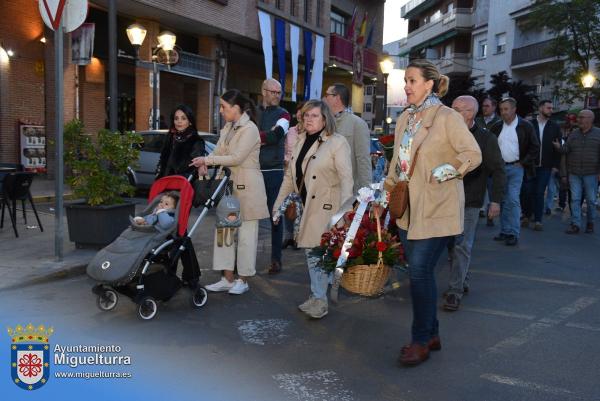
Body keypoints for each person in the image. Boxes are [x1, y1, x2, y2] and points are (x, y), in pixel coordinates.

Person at [384, 60, 481, 366]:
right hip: (407, 210)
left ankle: (421, 339)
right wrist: (383, 194)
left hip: (438, 209)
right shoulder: (404, 120)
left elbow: (472, 154)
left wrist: (446, 171)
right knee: (419, 272)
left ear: (429, 84)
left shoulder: (448, 117)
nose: (406, 86)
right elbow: (397, 164)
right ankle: (433, 333)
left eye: (412, 80)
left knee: (420, 272)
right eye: (406, 81)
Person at [272, 100, 353, 319]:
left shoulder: (337, 142)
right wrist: (278, 206)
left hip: (327, 207)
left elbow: (347, 180)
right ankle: (317, 295)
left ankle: (320, 299)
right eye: (306, 115)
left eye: (314, 116)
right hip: (306, 206)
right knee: (312, 252)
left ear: (325, 119)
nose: (308, 119)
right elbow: (290, 178)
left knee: (315, 252)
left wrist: (345, 213)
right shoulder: (300, 141)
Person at [189, 89, 269, 295]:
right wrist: (205, 162)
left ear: (236, 108)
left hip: (249, 189)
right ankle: (227, 278)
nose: (221, 111)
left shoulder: (249, 129)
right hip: (227, 187)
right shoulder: (228, 127)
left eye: (224, 107)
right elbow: (218, 151)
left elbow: (236, 158)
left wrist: (208, 160)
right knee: (224, 234)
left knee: (246, 237)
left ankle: (243, 280)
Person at [443, 96, 505, 312]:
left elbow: (498, 170)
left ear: (470, 113)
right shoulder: (444, 134)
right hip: (444, 199)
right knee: (451, 245)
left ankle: (455, 291)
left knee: (462, 244)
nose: (451, 113)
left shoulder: (486, 139)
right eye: (451, 108)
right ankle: (462, 278)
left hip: (470, 199)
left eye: (457, 110)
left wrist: (495, 201)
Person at [490, 97, 539, 246]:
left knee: (512, 199)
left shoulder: (526, 126)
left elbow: (535, 147)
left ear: (514, 109)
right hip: (499, 169)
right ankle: (504, 231)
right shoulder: (497, 126)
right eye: (501, 110)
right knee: (502, 201)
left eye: (506, 109)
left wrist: (523, 163)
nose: (503, 113)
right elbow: (490, 147)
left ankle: (513, 233)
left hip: (516, 168)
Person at [258, 79, 291, 274]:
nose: (277, 96)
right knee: (248, 216)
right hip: (254, 170)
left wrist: (255, 137)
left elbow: (276, 136)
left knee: (275, 216)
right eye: (273, 92)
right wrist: (262, 136)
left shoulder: (284, 115)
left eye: (279, 92)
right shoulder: (254, 113)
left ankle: (276, 259)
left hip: (274, 172)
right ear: (263, 91)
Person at [554, 109, 600, 234]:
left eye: (581, 117)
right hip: (574, 172)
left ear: (590, 119)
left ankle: (590, 222)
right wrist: (559, 148)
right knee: (575, 198)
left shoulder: (598, 134)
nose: (578, 119)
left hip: (591, 173)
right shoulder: (574, 134)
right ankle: (576, 224)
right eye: (579, 117)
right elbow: (566, 150)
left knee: (591, 200)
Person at [323, 83, 372, 194]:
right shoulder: (322, 123)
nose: (324, 98)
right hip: (322, 191)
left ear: (337, 98)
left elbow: (363, 159)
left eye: (327, 95)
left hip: (346, 192)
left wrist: (366, 193)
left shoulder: (357, 124)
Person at [522, 100, 562, 230]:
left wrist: (556, 165)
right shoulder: (529, 124)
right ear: (540, 108)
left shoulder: (554, 126)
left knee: (539, 192)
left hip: (545, 166)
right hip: (529, 165)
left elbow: (558, 148)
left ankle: (538, 220)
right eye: (548, 108)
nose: (551, 110)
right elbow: (522, 144)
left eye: (551, 108)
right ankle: (527, 215)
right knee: (527, 191)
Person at [156, 105, 207, 178]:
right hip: (166, 183)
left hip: (185, 185)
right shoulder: (170, 137)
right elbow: (162, 162)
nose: (179, 121)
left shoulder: (196, 141)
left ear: (190, 122)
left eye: (183, 118)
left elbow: (194, 167)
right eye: (176, 118)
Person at [282, 102, 304, 250]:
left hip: (304, 176)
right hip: (288, 173)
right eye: (300, 112)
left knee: (302, 207)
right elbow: (284, 150)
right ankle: (288, 236)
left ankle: (299, 238)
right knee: (287, 206)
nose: (302, 115)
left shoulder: (311, 132)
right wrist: (284, 160)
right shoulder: (290, 131)